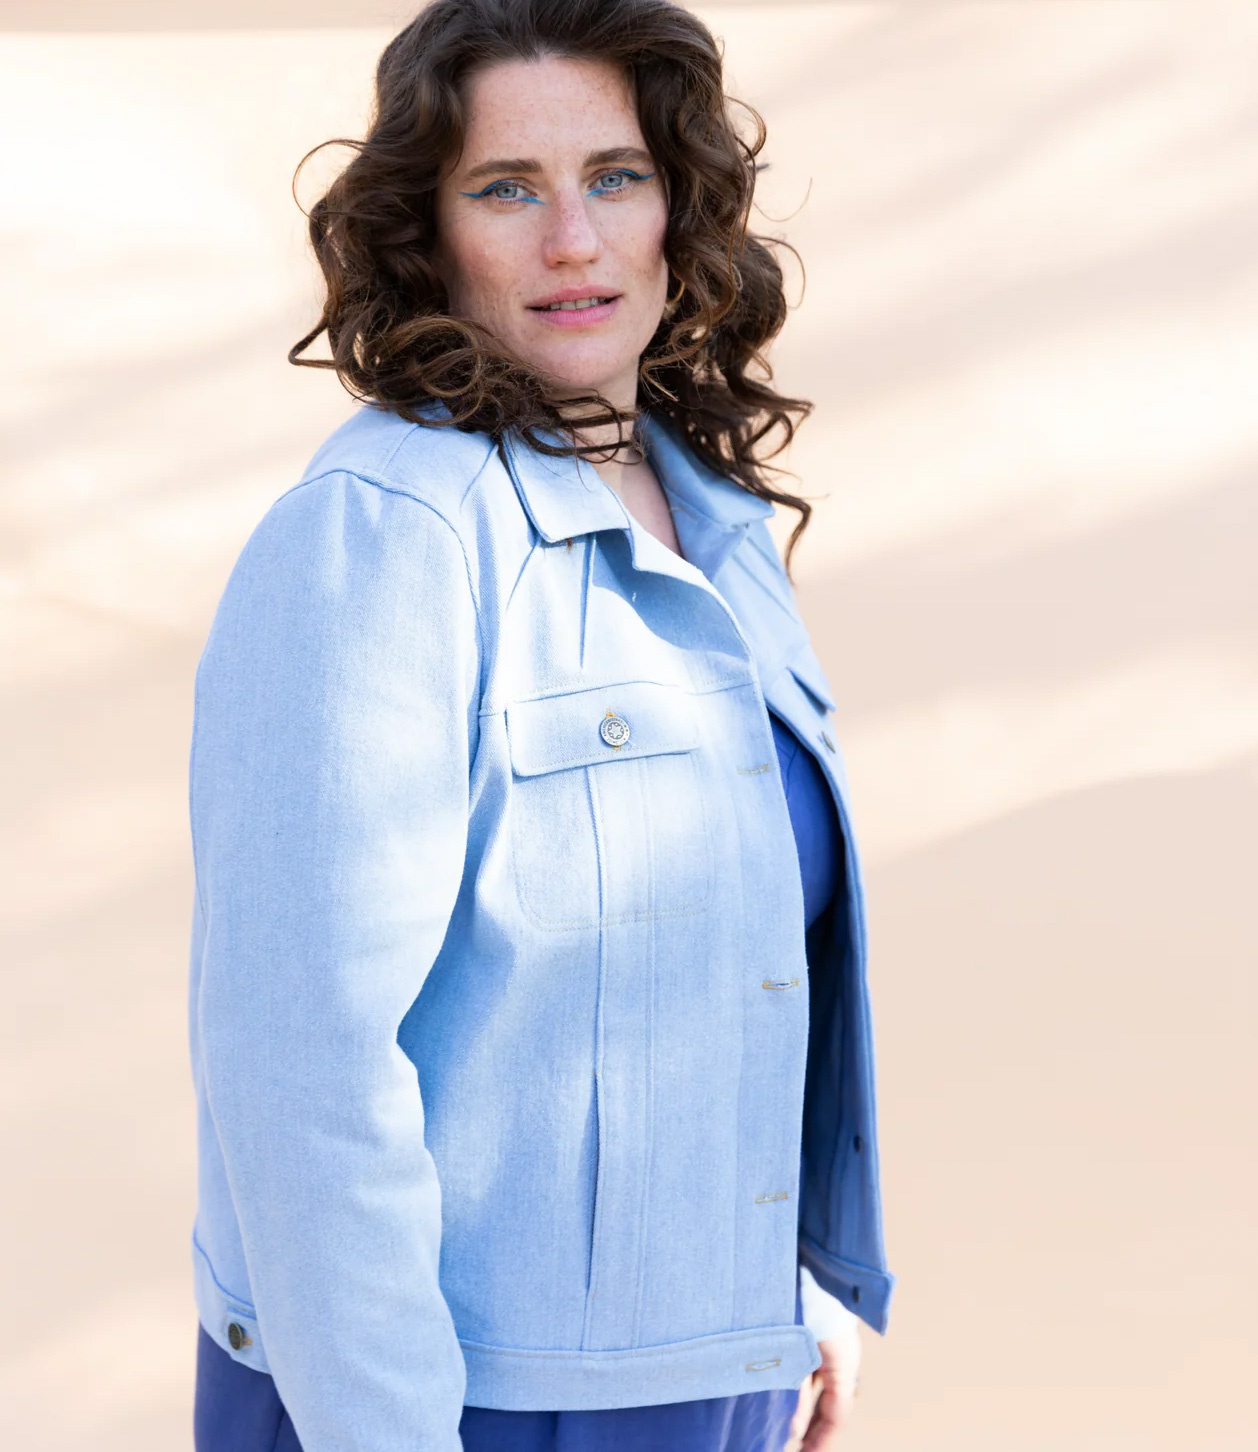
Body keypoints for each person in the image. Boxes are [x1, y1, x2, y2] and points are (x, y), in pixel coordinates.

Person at [187, 2, 892, 1449]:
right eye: (506, 188)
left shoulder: (711, 515)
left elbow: (732, 968)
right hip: (455, 1398)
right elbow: (301, 1064)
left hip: (708, 1368)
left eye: (614, 176)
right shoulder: (384, 538)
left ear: (678, 208)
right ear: (427, 234)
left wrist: (789, 1282)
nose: (573, 239)